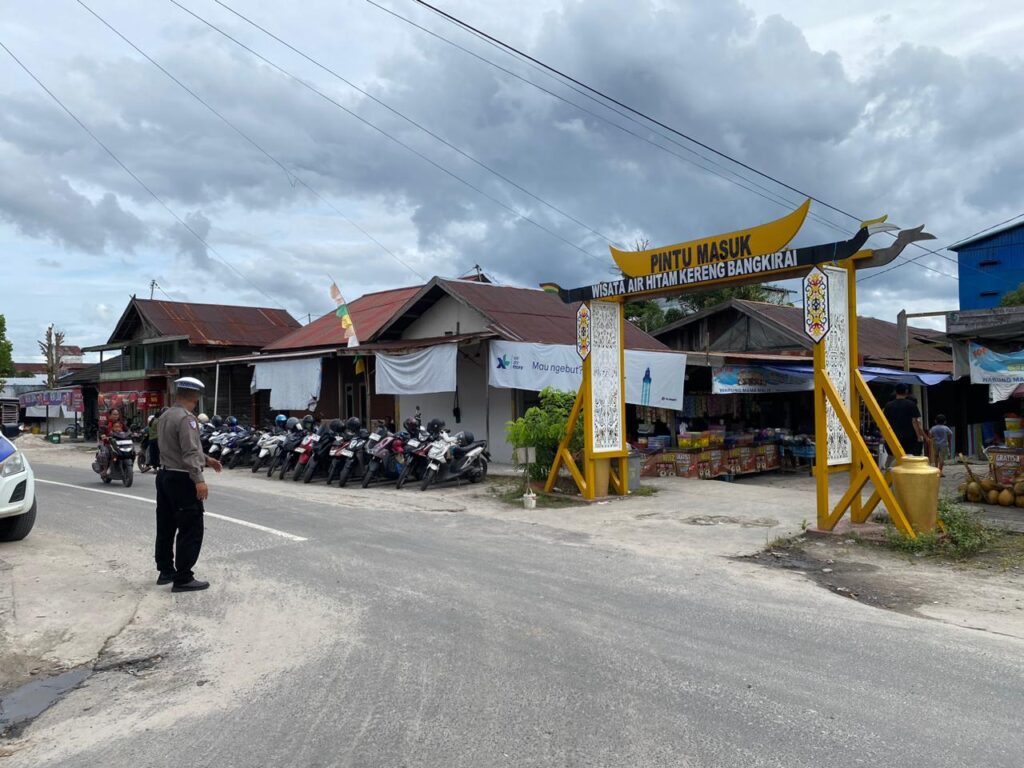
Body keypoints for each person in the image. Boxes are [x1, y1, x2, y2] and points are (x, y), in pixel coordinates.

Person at [155, 377, 221, 592]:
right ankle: (183, 578)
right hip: (182, 479)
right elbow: (190, 451)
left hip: (165, 475)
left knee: (166, 525)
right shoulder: (187, 418)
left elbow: (176, 447)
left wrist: (207, 459)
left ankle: (166, 571)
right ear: (196, 396)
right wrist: (199, 480)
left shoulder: (165, 415)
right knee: (191, 527)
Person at [882, 383, 926, 465]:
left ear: (896, 392)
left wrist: (884, 436)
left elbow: (884, 422)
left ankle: (890, 471)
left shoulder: (888, 406)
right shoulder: (911, 404)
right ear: (906, 391)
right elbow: (915, 421)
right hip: (909, 437)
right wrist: (919, 436)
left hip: (894, 436)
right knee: (909, 459)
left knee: (894, 457)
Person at [95, 408, 127, 479]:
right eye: (114, 414)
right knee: (106, 453)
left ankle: (127, 466)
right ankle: (105, 469)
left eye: (117, 414)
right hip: (109, 444)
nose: (116, 416)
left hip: (120, 443)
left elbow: (127, 430)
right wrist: (102, 435)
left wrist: (132, 433)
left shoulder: (121, 423)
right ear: (110, 415)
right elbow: (101, 431)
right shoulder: (106, 424)